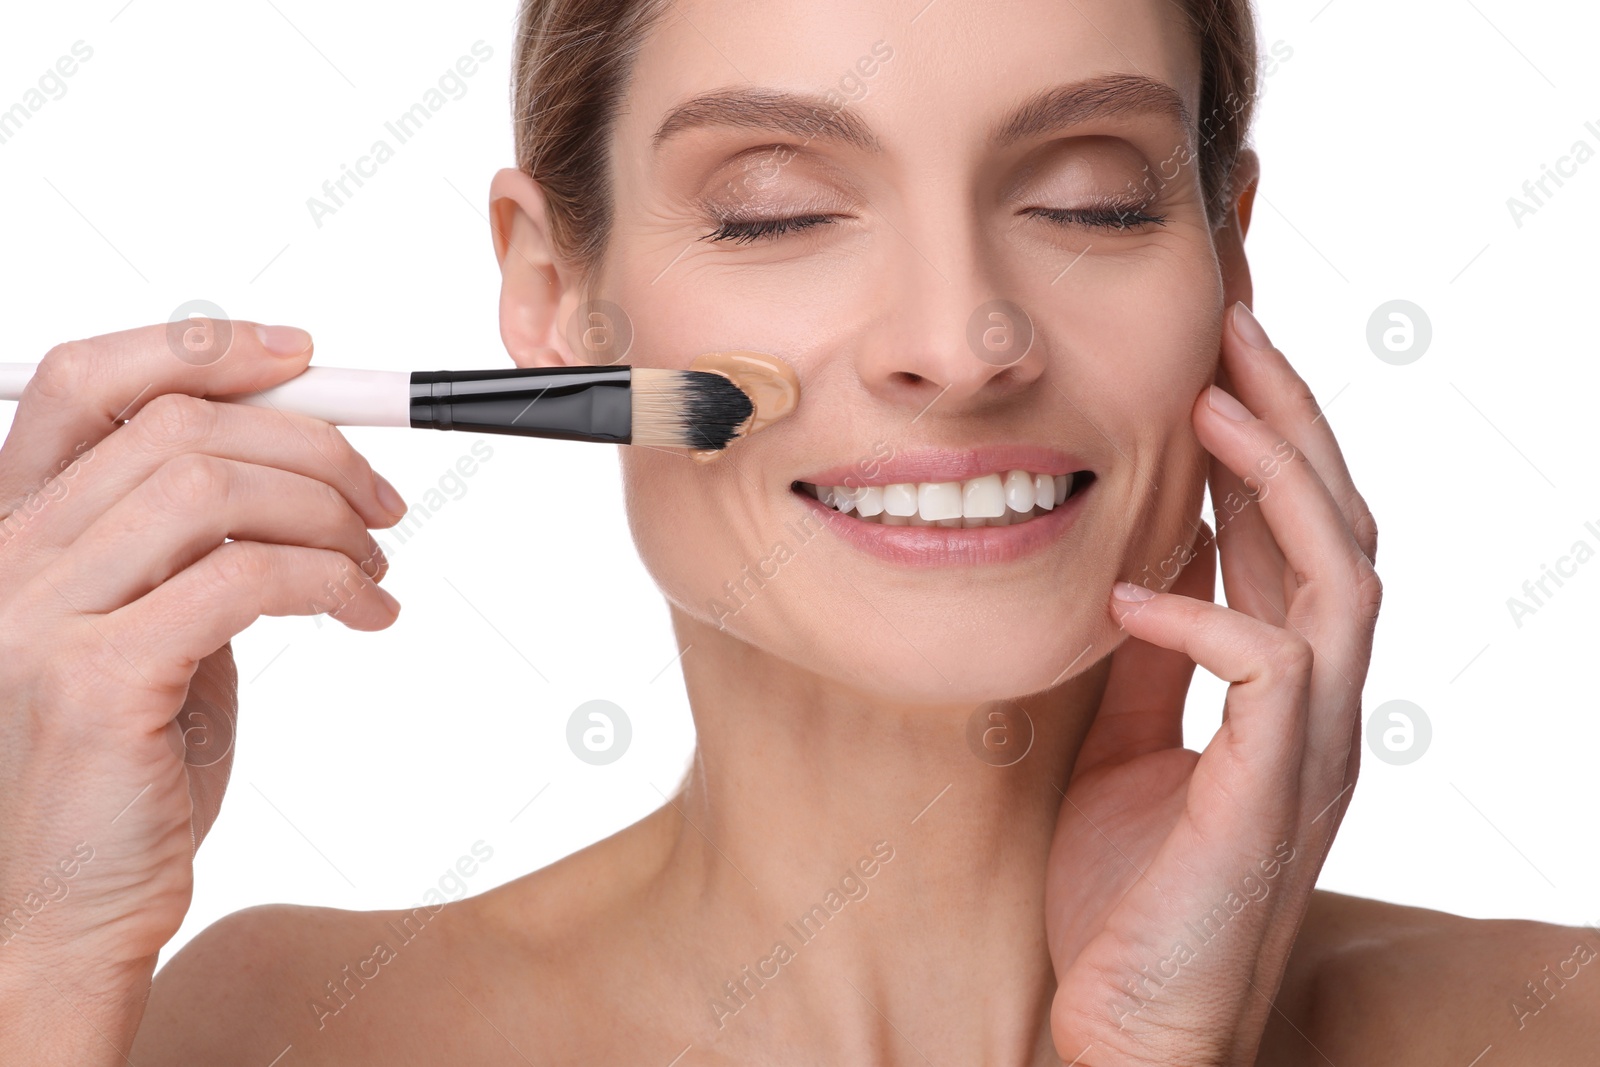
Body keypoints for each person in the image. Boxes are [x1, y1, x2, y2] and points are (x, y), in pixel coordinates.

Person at [2, 0, 1593, 1063]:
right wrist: (38, 950)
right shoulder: (281, 1030)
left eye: (1096, 196)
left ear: (1229, 259)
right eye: (776, 208)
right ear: (554, 290)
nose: (963, 340)